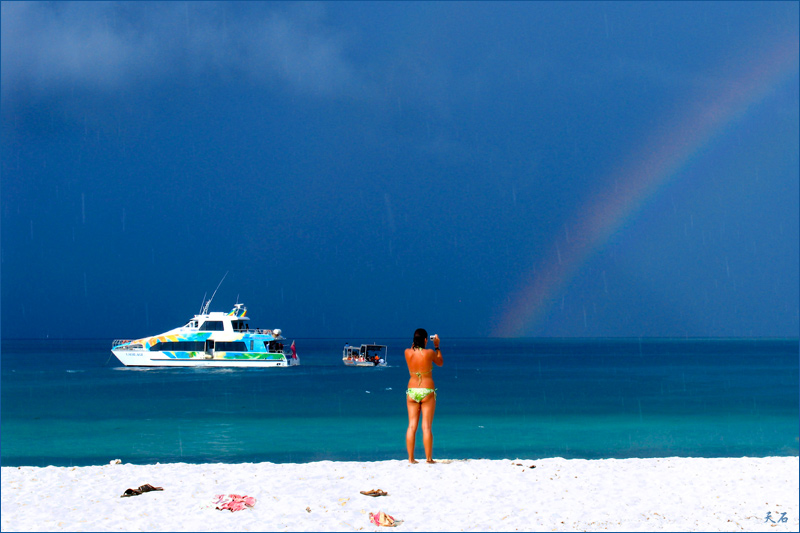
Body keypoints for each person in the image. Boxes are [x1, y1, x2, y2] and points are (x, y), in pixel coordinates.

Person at [404, 328, 443, 464]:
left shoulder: (407, 352)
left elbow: (412, 349)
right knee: (426, 426)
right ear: (426, 340)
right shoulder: (430, 353)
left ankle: (411, 458)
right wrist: (437, 346)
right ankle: (428, 458)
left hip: (412, 390)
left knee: (411, 426)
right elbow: (440, 362)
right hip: (427, 390)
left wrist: (416, 342)